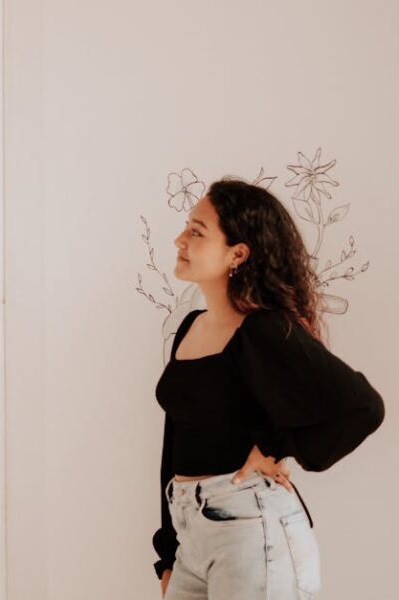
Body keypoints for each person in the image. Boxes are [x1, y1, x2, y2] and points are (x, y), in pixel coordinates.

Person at [152, 177, 385, 599]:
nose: (179, 239)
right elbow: (174, 441)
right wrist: (168, 553)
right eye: (186, 227)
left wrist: (276, 445)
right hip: (191, 536)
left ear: (237, 254)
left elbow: (363, 407)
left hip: (251, 531)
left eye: (196, 231)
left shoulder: (263, 330)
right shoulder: (190, 328)